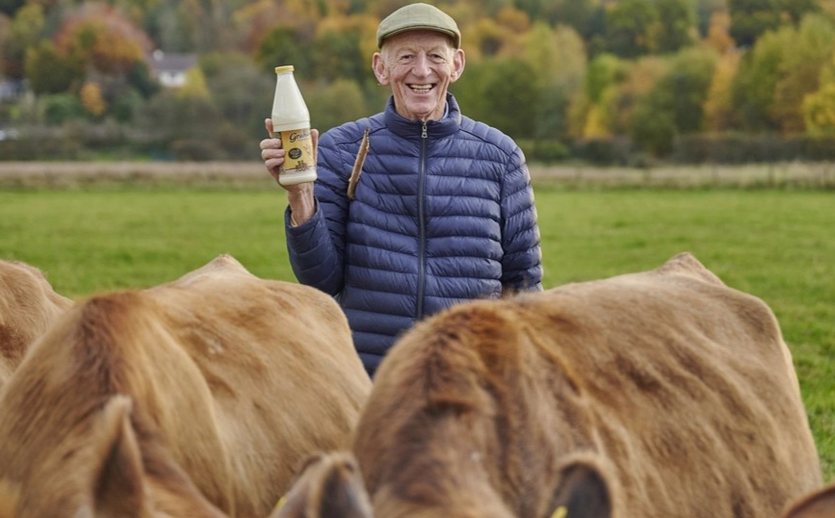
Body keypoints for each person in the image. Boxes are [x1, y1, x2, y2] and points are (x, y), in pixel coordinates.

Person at [259, 2, 543, 377]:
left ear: (456, 65)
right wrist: (299, 195)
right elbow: (320, 281)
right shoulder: (339, 148)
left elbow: (523, 287)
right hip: (371, 377)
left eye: (435, 57)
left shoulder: (501, 157)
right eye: (406, 56)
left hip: (470, 378)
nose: (421, 70)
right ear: (381, 68)